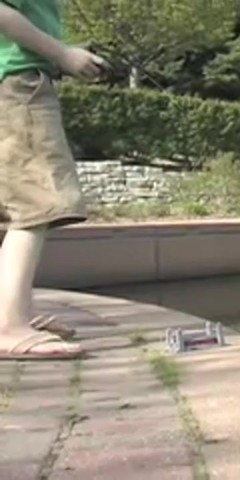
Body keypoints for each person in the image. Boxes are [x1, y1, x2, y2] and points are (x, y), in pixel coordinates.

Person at [0, 0, 107, 359]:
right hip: (16, 86)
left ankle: (13, 310)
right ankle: (7, 325)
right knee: (36, 203)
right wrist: (63, 54)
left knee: (10, 206)